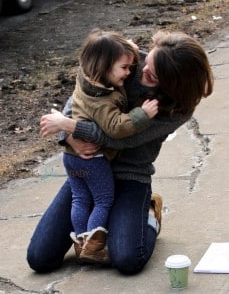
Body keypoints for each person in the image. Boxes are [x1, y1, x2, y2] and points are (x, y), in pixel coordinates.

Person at [27, 30, 214, 275]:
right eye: (147, 61)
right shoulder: (127, 61)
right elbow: (82, 95)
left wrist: (71, 126)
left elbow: (119, 138)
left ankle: (149, 214)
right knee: (40, 259)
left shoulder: (177, 108)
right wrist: (69, 137)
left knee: (127, 259)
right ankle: (114, 221)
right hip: (91, 168)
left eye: (153, 74)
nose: (142, 70)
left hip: (129, 174)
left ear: (172, 84)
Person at [59, 29, 159, 264]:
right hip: (94, 159)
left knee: (80, 198)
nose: (130, 72)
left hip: (71, 157)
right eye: (125, 68)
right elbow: (115, 128)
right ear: (104, 67)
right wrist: (141, 115)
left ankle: (81, 242)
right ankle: (95, 246)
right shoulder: (105, 98)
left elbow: (71, 112)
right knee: (103, 199)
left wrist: (67, 128)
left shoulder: (87, 80)